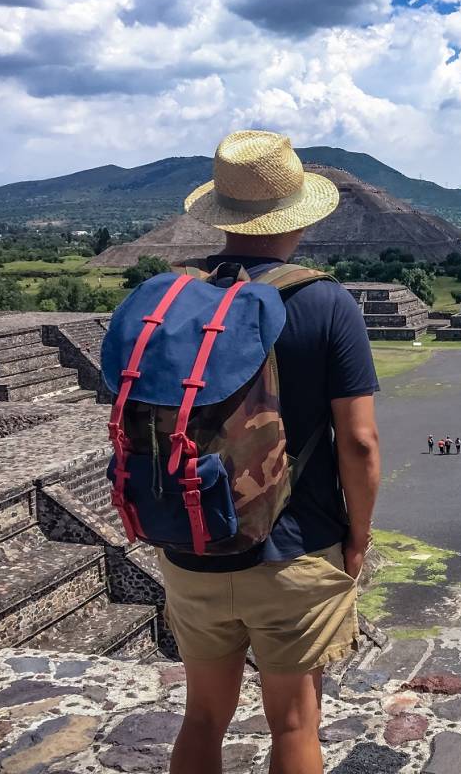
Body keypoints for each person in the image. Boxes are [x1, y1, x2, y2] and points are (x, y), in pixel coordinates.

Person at [158, 130, 380, 774]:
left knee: (201, 717)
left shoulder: (173, 297)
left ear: (221, 214)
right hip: (294, 548)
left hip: (192, 539)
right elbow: (360, 442)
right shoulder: (323, 301)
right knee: (293, 722)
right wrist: (357, 538)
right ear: (299, 216)